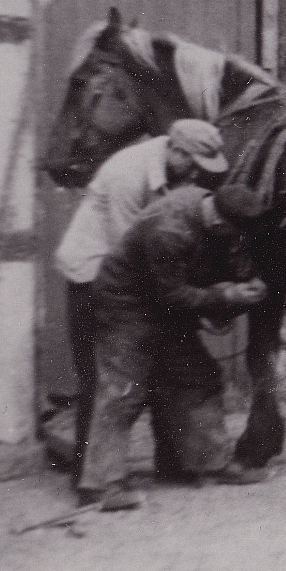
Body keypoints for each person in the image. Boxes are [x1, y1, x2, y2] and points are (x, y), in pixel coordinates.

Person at [53, 119, 231, 479]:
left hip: (139, 277)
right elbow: (133, 250)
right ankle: (91, 480)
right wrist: (192, 300)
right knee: (105, 379)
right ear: (176, 149)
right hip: (94, 274)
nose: (196, 173)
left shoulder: (176, 171)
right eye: (192, 162)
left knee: (170, 367)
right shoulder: (127, 175)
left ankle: (175, 464)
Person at [75, 183, 271, 510]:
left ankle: (207, 463)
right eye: (235, 234)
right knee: (123, 392)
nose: (236, 240)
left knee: (198, 378)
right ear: (220, 223)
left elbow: (205, 269)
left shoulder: (209, 207)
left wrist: (244, 279)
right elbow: (172, 296)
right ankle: (100, 487)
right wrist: (225, 295)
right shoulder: (169, 232)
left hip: (161, 304)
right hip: (126, 306)